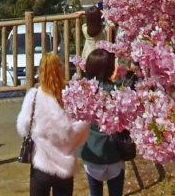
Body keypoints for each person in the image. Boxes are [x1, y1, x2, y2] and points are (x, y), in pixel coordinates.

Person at [17, 54, 89, 196]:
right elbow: (80, 129)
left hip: (41, 162)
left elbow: (23, 128)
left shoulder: (34, 96)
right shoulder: (70, 97)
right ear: (60, 70)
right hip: (65, 166)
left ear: (41, 72)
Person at [78, 49, 126, 196]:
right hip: (114, 153)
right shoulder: (117, 91)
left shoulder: (82, 91)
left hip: (92, 152)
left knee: (95, 193)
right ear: (110, 68)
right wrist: (118, 78)